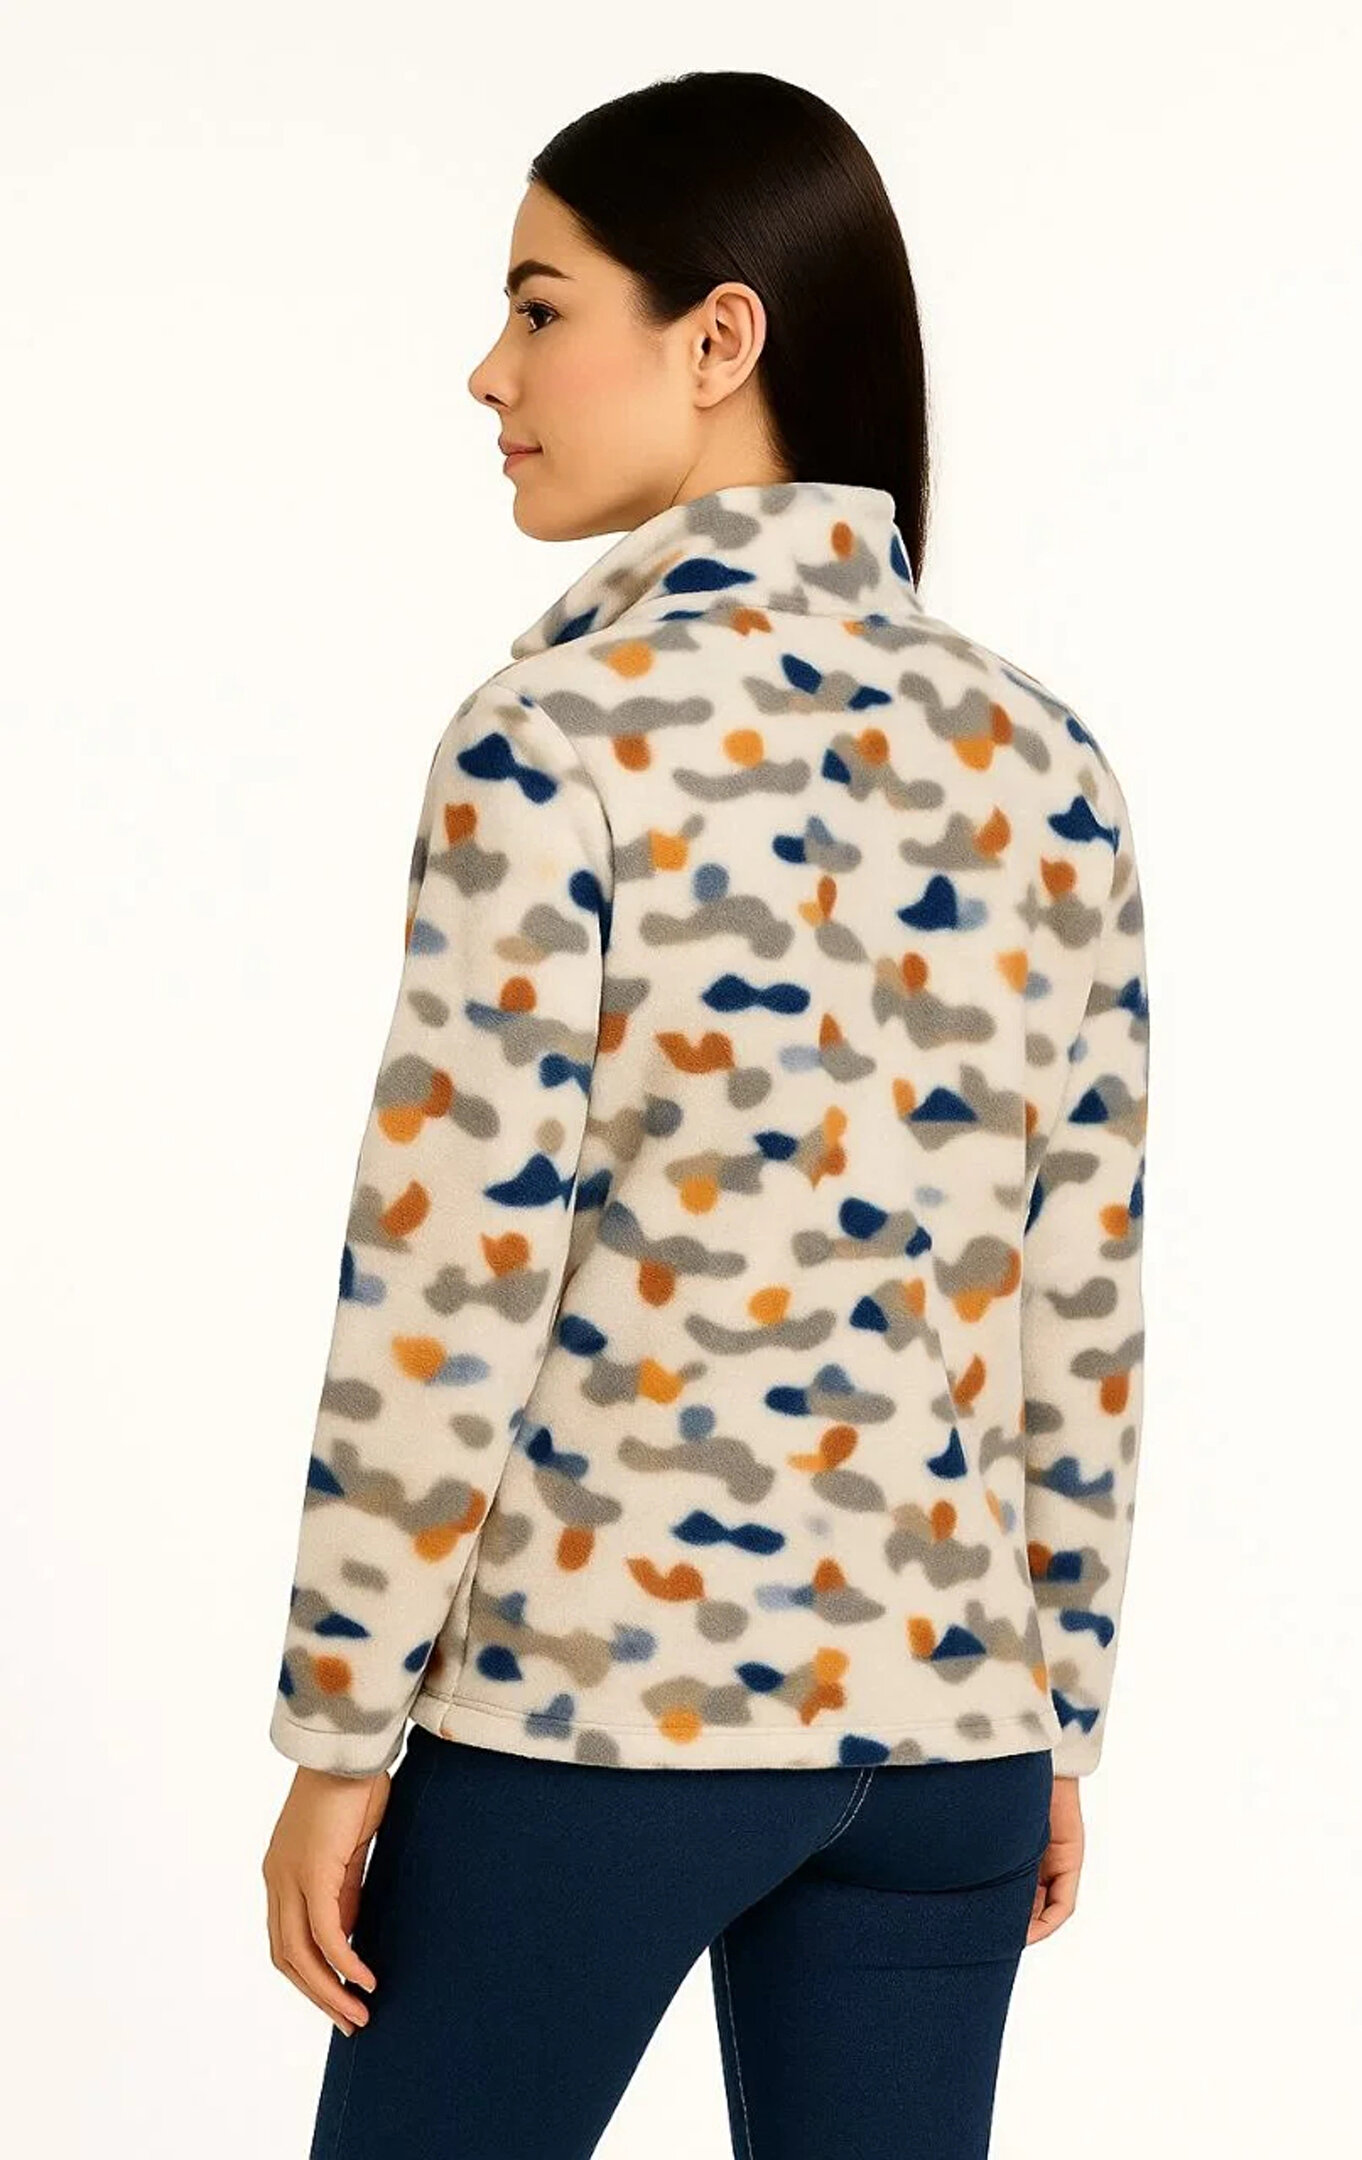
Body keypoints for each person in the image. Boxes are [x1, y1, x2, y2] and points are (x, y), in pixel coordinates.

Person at [261, 69, 1150, 2160]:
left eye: (539, 307)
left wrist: (339, 1728)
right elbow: (1081, 1293)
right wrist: (1056, 1713)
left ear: (720, 338)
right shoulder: (1048, 764)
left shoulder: (552, 742)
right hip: (949, 1742)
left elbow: (448, 1280)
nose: (490, 373)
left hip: (598, 1718)